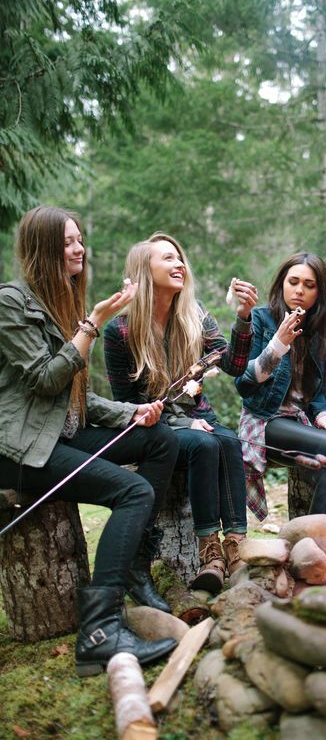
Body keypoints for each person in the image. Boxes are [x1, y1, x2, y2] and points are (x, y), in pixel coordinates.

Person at [0, 206, 180, 677]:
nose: (78, 249)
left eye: (79, 240)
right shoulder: (10, 303)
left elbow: (79, 398)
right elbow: (45, 381)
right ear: (42, 249)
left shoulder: (62, 303)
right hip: (20, 451)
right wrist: (92, 323)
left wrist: (133, 413)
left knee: (159, 438)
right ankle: (99, 633)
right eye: (67, 242)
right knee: (133, 489)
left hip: (59, 435)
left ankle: (135, 563)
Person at [103, 233, 258, 595]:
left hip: (199, 419)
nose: (179, 265)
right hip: (154, 429)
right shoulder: (120, 330)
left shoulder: (195, 313)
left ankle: (236, 547)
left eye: (180, 259)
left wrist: (244, 318)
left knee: (230, 441)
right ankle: (210, 553)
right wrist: (182, 422)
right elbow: (125, 403)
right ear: (145, 270)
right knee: (204, 444)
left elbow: (234, 365)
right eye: (168, 259)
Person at [235, 252, 326, 521]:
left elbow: (322, 394)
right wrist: (278, 344)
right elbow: (245, 384)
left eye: (309, 285)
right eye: (293, 282)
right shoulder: (261, 319)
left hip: (302, 421)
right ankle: (314, 540)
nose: (299, 290)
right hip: (265, 420)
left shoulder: (318, 330)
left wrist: (324, 415)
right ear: (281, 284)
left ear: (319, 292)